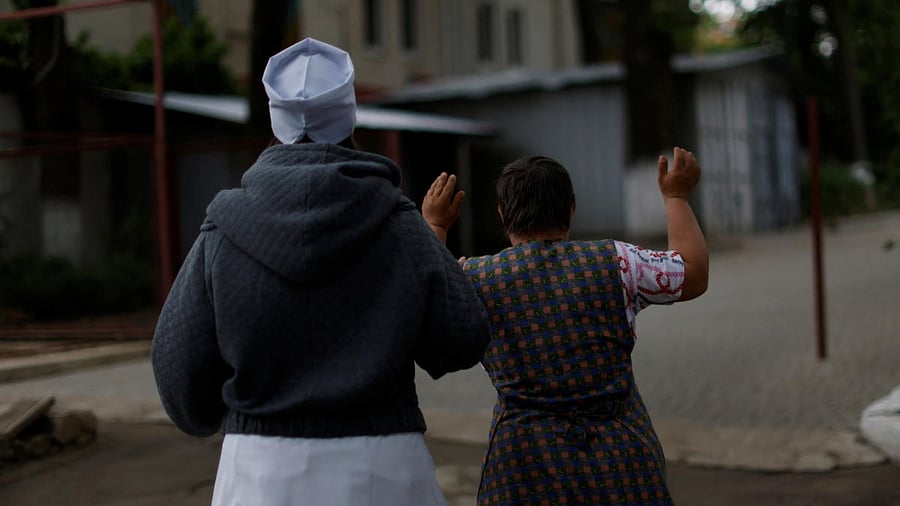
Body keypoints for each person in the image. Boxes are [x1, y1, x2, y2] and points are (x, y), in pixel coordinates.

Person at [151, 38, 491, 506]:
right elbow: (462, 337)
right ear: (350, 117)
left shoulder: (221, 231)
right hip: (383, 469)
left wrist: (228, 411)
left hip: (258, 474)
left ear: (276, 119)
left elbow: (178, 375)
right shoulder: (399, 221)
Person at [423, 149, 708, 505]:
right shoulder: (619, 261)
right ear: (571, 208)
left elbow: (427, 308)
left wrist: (435, 226)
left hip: (521, 466)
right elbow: (693, 273)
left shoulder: (473, 279)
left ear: (502, 215)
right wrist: (676, 197)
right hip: (620, 461)